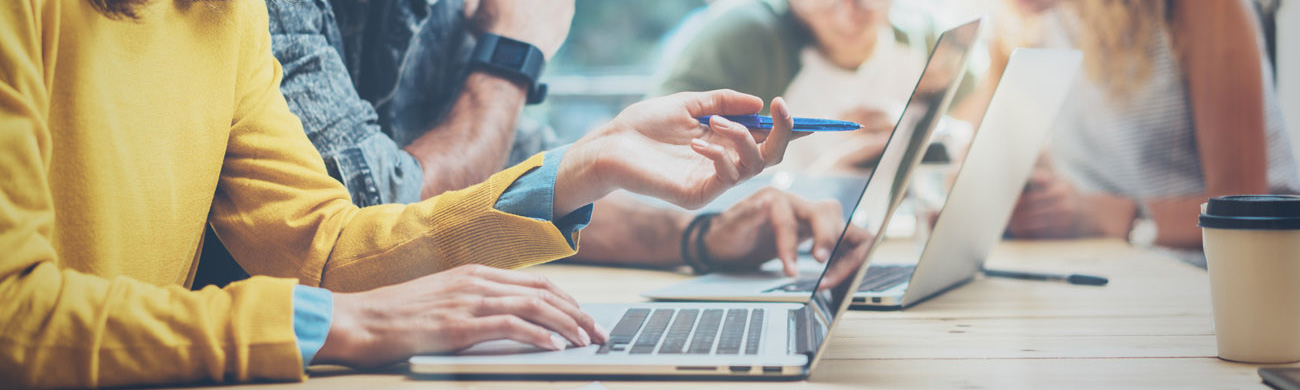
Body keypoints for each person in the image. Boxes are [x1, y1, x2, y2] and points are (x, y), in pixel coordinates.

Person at [0, 0, 799, 387]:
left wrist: (584, 166)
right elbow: (13, 317)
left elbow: (324, 244)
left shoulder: (225, 13)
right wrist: (335, 323)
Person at [254, 0, 847, 279]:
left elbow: (517, 190)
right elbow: (366, 230)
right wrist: (512, 56)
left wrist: (703, 238)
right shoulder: (268, 12)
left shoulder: (444, 13)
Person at [987, 0, 1300, 251]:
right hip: (1118, 267)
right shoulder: (1046, 21)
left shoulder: (1197, 7)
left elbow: (1242, 207)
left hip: (1218, 282)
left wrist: (1109, 217)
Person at [652, 0, 975, 172]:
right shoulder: (741, 40)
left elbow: (972, 127)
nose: (848, 15)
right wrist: (820, 187)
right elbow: (657, 149)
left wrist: (921, 133)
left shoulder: (929, 35)